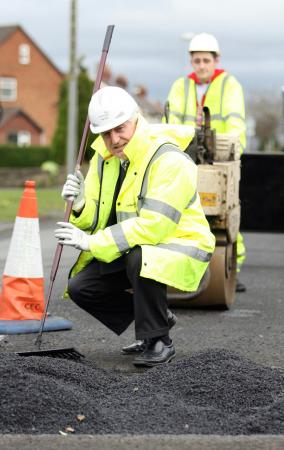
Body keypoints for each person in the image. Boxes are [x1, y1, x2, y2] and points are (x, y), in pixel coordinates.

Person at [54, 86, 215, 367]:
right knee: (82, 287)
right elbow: (97, 218)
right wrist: (79, 204)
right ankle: (155, 318)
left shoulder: (169, 159)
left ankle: (159, 340)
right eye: (105, 133)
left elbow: (156, 226)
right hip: (134, 247)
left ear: (136, 118)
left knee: (140, 257)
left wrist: (92, 243)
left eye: (120, 128)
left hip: (181, 245)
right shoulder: (105, 159)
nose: (114, 140)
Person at [164, 32, 247, 292]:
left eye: (205, 60)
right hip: (186, 157)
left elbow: (236, 123)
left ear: (216, 60)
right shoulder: (181, 86)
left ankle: (232, 264)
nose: (201, 66)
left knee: (224, 210)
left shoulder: (229, 85)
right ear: (191, 61)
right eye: (196, 60)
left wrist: (230, 152)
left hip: (220, 159)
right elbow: (171, 123)